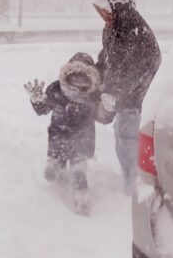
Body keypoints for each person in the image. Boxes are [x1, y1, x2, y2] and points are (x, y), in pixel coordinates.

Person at [25, 53, 116, 216]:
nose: (78, 84)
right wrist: (37, 100)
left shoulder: (94, 95)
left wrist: (108, 109)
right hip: (58, 135)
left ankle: (82, 198)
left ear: (91, 78)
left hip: (82, 139)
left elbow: (103, 118)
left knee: (78, 169)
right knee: (56, 160)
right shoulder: (56, 89)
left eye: (83, 79)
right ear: (67, 75)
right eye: (75, 78)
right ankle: (56, 169)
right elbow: (43, 109)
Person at [92, 0, 161, 193]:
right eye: (100, 12)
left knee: (132, 143)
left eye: (106, 10)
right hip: (122, 100)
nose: (104, 15)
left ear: (118, 6)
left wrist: (116, 92)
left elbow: (144, 67)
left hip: (139, 102)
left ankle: (136, 189)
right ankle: (129, 183)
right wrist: (94, 73)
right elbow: (107, 56)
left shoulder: (138, 32)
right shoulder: (111, 29)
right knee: (123, 141)